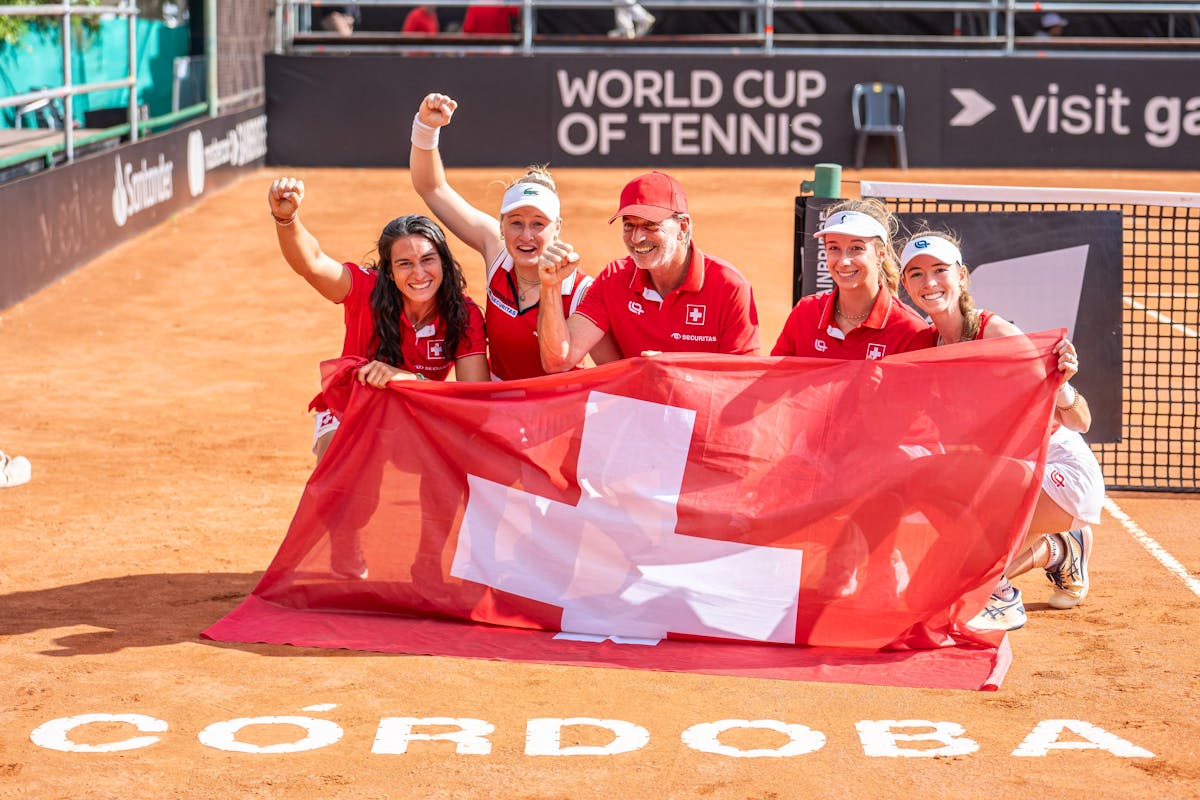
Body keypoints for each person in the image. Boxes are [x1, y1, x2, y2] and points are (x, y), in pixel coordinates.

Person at [900, 230, 1102, 631]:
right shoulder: (926, 347)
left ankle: (1003, 599)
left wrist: (1063, 383)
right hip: (1001, 477)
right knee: (940, 582)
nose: (929, 283)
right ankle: (1057, 549)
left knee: (945, 485)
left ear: (962, 277)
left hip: (1056, 472)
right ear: (905, 285)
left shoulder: (998, 335)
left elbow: (1080, 421)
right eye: (917, 274)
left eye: (940, 271)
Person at [267, 176, 490, 461]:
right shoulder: (365, 289)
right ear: (388, 272)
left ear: (444, 262)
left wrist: (410, 380)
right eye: (404, 264)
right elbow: (313, 263)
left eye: (428, 259)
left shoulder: (464, 314)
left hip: (420, 412)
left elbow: (475, 399)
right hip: (350, 408)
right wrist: (287, 220)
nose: (419, 274)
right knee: (338, 464)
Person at [409, 93, 598, 380]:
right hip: (501, 407)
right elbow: (431, 187)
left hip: (560, 411)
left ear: (557, 226)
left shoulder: (582, 291)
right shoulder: (497, 250)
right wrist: (425, 127)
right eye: (516, 222)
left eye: (538, 224)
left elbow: (615, 368)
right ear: (500, 225)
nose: (526, 235)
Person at [536, 170, 760, 372]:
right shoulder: (613, 279)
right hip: (638, 413)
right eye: (629, 225)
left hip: (703, 415)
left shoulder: (730, 287)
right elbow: (558, 361)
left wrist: (676, 369)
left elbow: (742, 379)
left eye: (650, 225)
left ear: (682, 228)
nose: (637, 238)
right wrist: (551, 286)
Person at [772, 199, 931, 360]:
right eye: (834, 248)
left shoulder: (912, 331)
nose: (843, 261)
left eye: (856, 248)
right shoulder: (804, 313)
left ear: (880, 255)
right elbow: (774, 379)